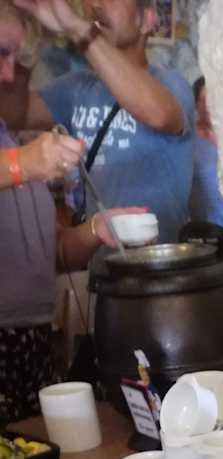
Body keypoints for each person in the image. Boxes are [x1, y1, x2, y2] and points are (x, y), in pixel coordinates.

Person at [0, 0, 145, 422]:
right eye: (2, 54)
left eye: (15, 58)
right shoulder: (18, 156)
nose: (9, 75)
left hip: (32, 341)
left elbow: (52, 255)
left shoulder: (7, 136)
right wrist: (24, 163)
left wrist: (96, 230)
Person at [11, 0, 195, 243]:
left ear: (147, 20)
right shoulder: (77, 87)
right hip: (100, 262)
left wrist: (78, 29)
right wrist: (24, 43)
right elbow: (14, 114)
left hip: (160, 261)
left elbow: (158, 115)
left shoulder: (171, 84)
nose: (96, 4)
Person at [188, 75, 223, 227]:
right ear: (196, 104)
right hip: (207, 229)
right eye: (202, 100)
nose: (207, 105)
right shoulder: (188, 139)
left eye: (212, 98)